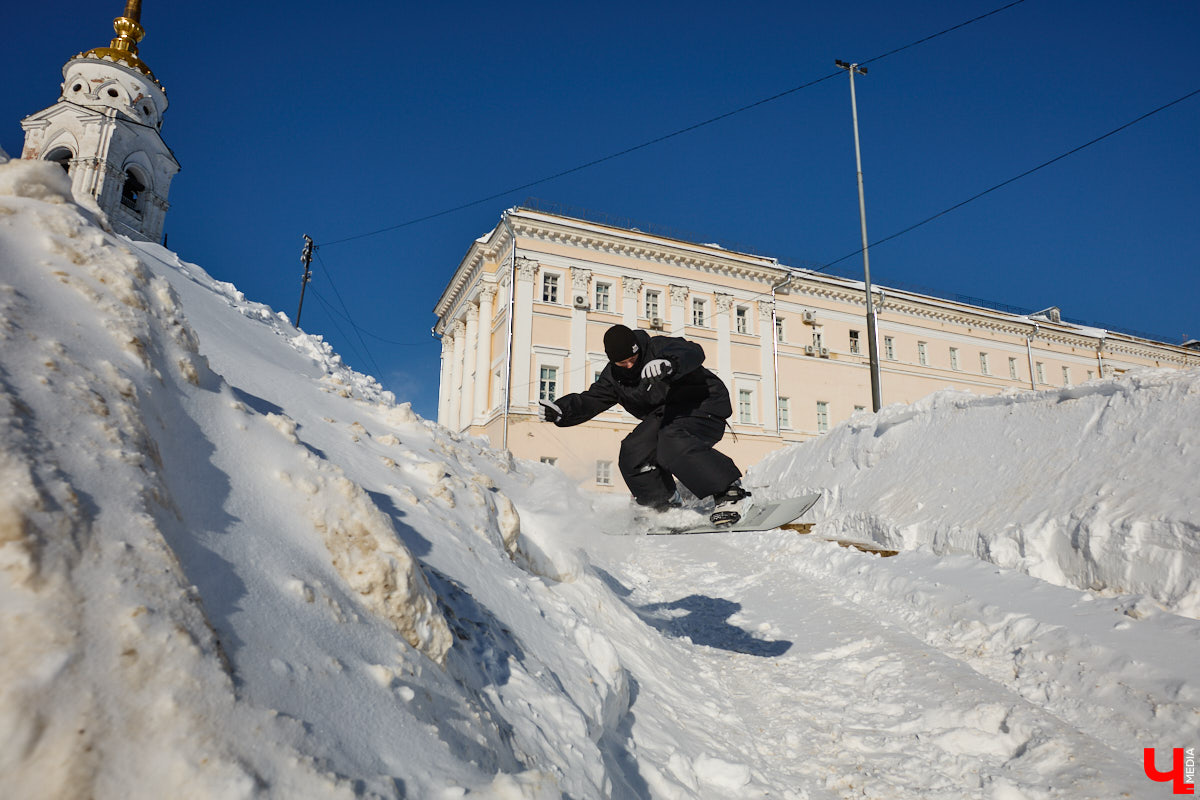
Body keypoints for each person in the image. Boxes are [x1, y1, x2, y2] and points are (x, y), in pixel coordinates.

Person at [537, 323, 750, 525]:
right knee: (633, 452)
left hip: (703, 406)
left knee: (671, 439)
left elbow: (692, 351)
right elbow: (590, 399)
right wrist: (562, 410)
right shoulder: (613, 378)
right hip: (667, 415)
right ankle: (661, 503)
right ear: (613, 361)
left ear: (638, 349)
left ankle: (729, 492)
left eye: (633, 358)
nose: (630, 365)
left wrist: (669, 363)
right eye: (623, 363)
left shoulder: (657, 348)